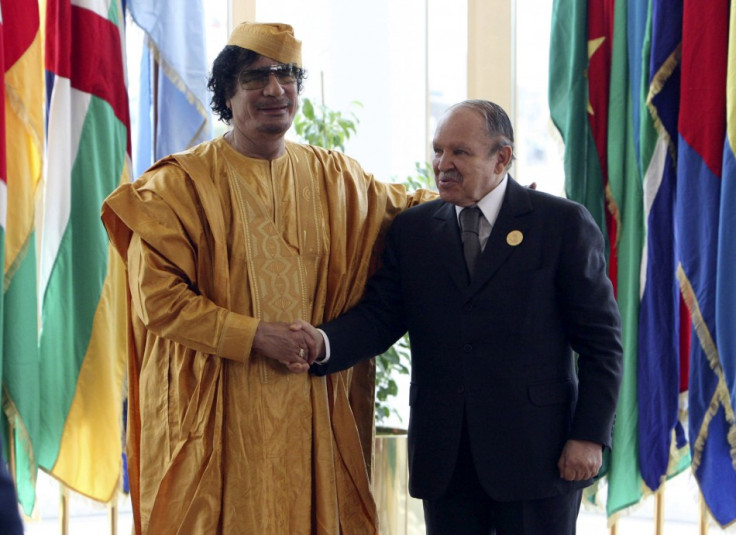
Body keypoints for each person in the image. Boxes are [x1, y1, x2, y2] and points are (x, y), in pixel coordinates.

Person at [101, 22, 434, 535]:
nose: (275, 90)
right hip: (215, 413)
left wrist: (494, 198)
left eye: (287, 76)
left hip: (310, 414)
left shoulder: (337, 179)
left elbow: (411, 212)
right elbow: (159, 301)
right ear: (227, 95)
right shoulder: (176, 187)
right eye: (256, 78)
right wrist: (255, 336)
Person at [299, 100, 624, 534]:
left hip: (536, 457)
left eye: (460, 153)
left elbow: (602, 344)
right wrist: (321, 344)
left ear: (502, 158)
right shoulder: (414, 231)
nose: (442, 164)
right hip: (445, 461)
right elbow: (380, 319)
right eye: (438, 151)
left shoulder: (560, 224)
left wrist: (589, 435)